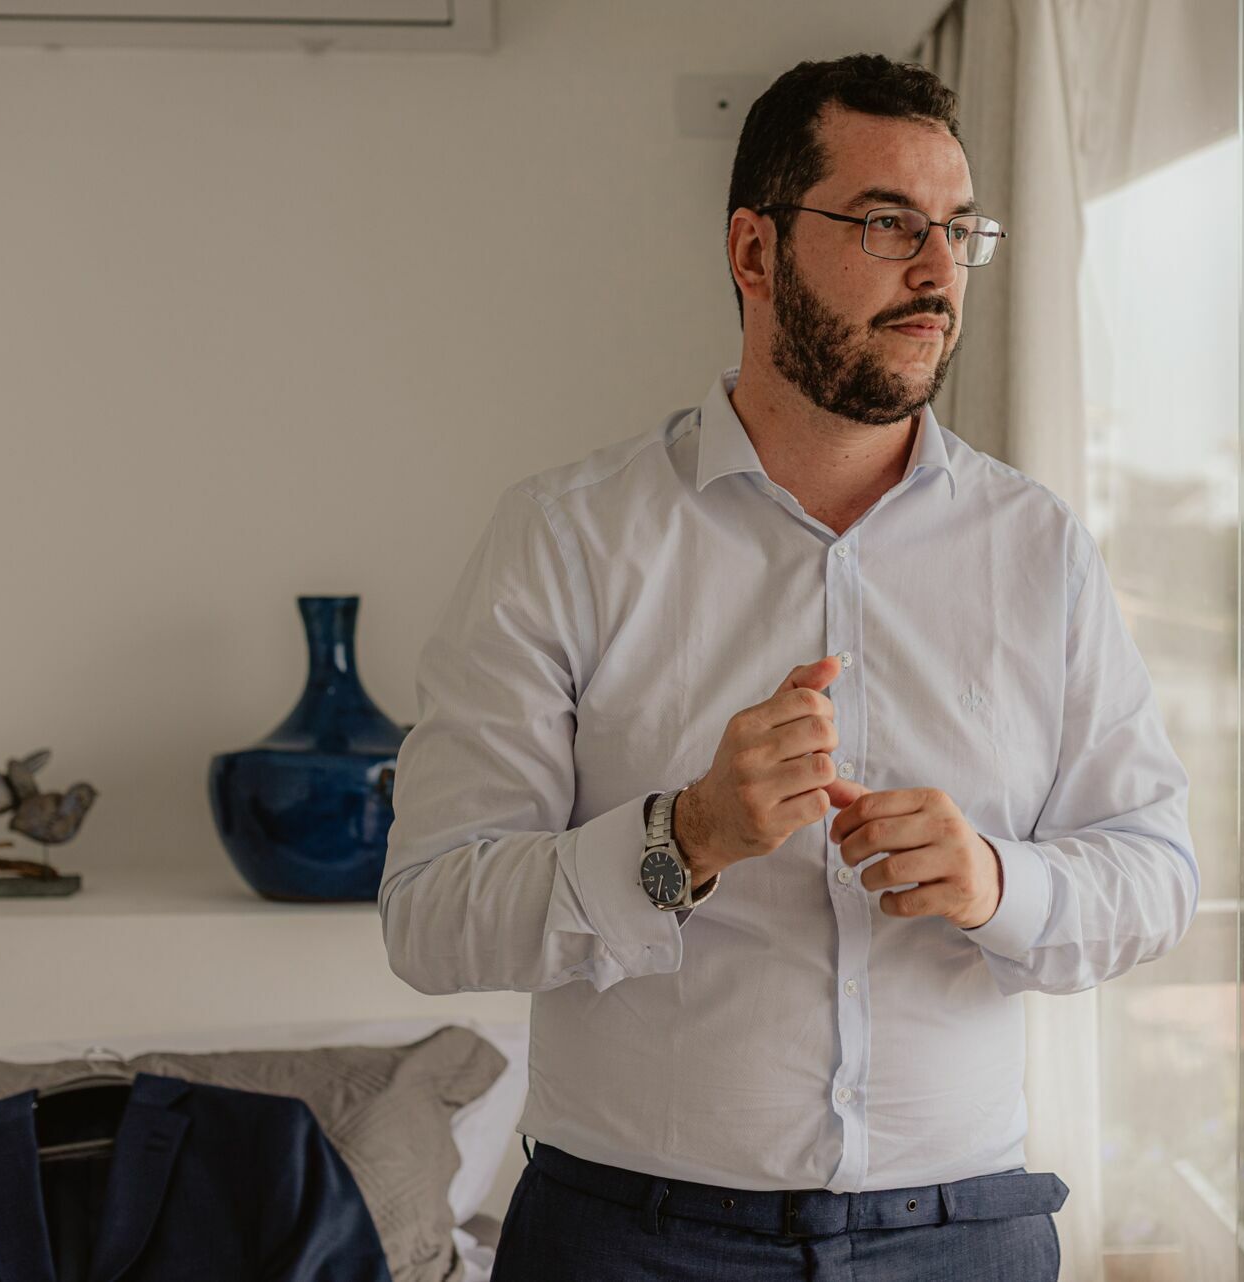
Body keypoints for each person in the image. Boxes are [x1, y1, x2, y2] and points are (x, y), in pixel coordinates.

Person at [379, 52, 1198, 1282]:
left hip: (965, 1240)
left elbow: (1156, 873)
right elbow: (432, 915)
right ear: (754, 254)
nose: (936, 271)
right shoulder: (568, 538)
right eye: (887, 224)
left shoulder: (1040, 550)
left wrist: (992, 881)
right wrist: (683, 836)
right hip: (631, 1244)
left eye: (958, 230)